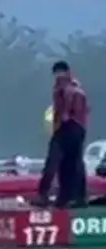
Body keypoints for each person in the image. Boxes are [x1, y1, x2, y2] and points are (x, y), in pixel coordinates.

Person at [38, 60, 91, 208]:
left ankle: (73, 196)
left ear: (66, 72)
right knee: (65, 163)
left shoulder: (73, 89)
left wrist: (67, 118)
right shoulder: (59, 89)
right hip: (66, 127)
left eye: (60, 73)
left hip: (72, 126)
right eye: (56, 74)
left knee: (68, 162)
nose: (58, 76)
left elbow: (75, 111)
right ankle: (65, 197)